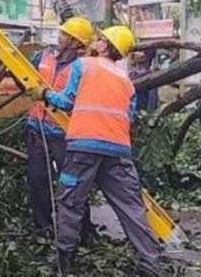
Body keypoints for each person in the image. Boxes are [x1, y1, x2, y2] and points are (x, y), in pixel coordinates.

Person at [32, 26, 162, 275]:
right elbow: (128, 117)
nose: (97, 41)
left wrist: (45, 94)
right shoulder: (127, 82)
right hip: (118, 150)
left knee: (70, 201)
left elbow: (67, 101)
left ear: (105, 47)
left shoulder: (84, 65)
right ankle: (151, 265)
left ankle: (64, 262)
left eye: (101, 39)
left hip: (84, 147)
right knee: (131, 208)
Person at [25, 17, 93, 237]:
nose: (59, 37)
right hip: (37, 128)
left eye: (65, 34)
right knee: (38, 181)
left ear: (75, 42)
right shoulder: (43, 57)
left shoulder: (82, 67)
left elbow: (71, 101)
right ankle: (42, 227)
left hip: (64, 133)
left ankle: (81, 229)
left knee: (72, 183)